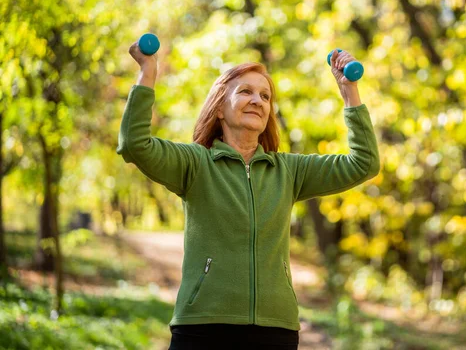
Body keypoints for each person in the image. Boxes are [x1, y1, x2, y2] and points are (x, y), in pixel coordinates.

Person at [117, 41, 380, 349]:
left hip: (275, 330)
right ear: (218, 107)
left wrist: (350, 92)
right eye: (245, 92)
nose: (257, 100)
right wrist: (148, 72)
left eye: (265, 96)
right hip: (204, 327)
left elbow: (364, 163)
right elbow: (135, 145)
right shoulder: (195, 163)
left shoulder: (289, 171)